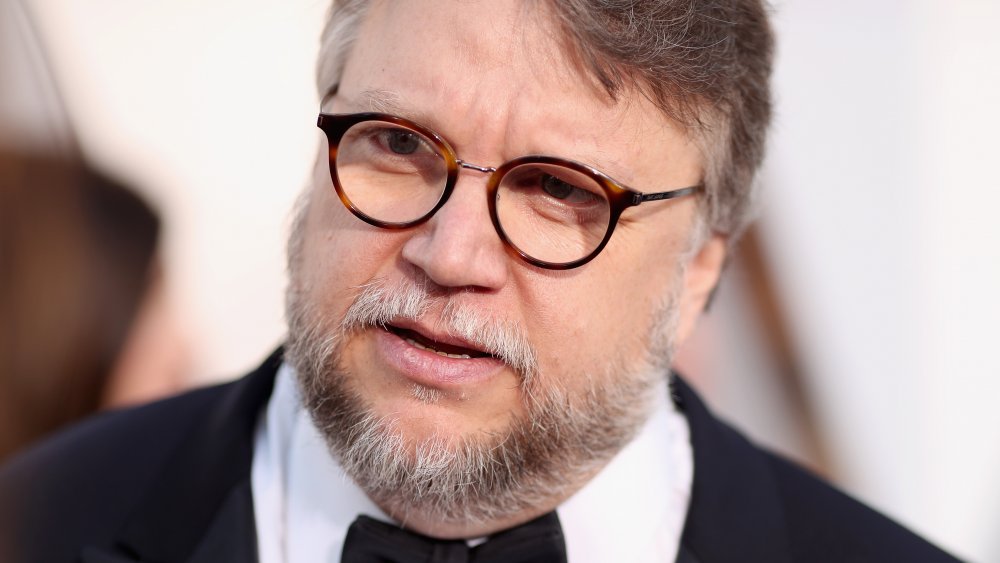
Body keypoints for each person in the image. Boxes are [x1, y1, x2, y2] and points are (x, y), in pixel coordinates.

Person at [0, 1, 961, 561]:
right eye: (398, 144)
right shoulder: (34, 524)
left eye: (556, 190)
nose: (449, 253)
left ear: (700, 266)